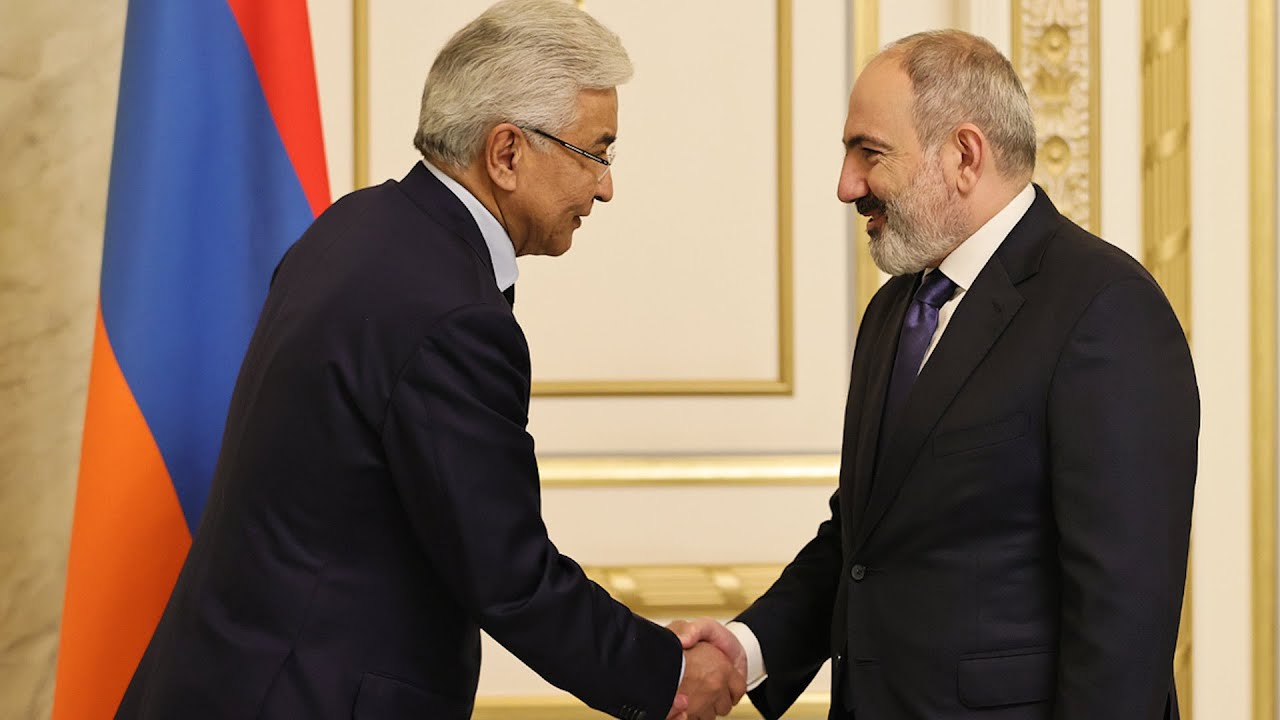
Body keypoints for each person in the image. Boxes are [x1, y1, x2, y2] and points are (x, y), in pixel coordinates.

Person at [114, 2, 744, 719]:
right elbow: (510, 576)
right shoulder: (452, 314)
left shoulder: (355, 227)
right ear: (506, 153)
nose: (604, 186)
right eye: (596, 153)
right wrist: (668, 674)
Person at [672, 29, 1199, 720]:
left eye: (870, 152)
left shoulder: (1106, 308)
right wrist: (748, 649)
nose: (847, 185)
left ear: (964, 156)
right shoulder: (896, 308)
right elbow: (865, 541)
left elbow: (1123, 623)